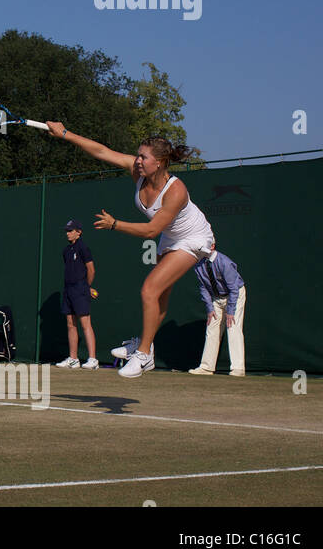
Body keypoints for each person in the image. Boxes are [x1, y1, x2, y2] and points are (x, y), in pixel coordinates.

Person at [48, 123, 214, 378]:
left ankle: (144, 355)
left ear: (158, 162)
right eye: (137, 155)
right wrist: (66, 134)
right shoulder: (138, 172)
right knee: (160, 296)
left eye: (143, 157)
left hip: (193, 238)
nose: (137, 161)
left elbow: (150, 231)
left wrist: (115, 224)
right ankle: (144, 343)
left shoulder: (176, 190)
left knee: (149, 289)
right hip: (171, 237)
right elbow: (102, 152)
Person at [189, 246, 247, 377]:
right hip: (216, 298)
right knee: (212, 328)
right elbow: (203, 287)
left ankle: (238, 368)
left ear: (212, 246)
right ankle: (206, 367)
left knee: (233, 327)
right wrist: (209, 307)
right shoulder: (198, 265)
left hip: (235, 296)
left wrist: (230, 311)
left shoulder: (224, 262)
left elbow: (234, 289)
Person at [56, 219, 99, 370]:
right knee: (70, 324)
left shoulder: (83, 248)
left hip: (80, 288)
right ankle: (73, 359)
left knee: (85, 324)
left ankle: (93, 359)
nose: (68, 233)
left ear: (78, 232)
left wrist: (86, 287)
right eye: (67, 231)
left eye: (70, 230)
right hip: (68, 289)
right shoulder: (66, 251)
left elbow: (91, 270)